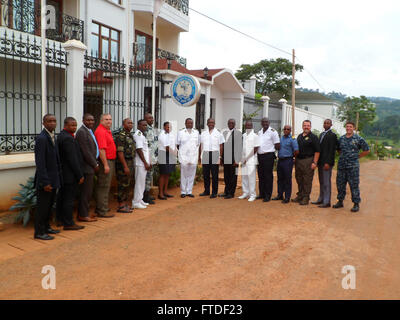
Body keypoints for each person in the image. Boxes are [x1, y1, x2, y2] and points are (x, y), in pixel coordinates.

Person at [33, 114, 62, 240]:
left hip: (53, 178)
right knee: (42, 207)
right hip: (46, 181)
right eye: (49, 121)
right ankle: (39, 232)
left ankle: (46, 227)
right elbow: (40, 163)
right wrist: (45, 182)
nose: (52, 123)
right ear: (43, 123)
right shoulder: (42, 138)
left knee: (49, 205)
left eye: (54, 121)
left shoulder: (52, 136)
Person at [333, 121, 370, 212]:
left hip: (353, 167)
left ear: (354, 128)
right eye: (347, 126)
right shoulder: (341, 138)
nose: (348, 128)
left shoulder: (358, 139)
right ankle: (340, 201)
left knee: (354, 185)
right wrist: (343, 156)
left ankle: (356, 204)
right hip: (342, 166)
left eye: (350, 127)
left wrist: (357, 156)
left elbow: (366, 150)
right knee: (340, 184)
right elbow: (338, 149)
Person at [56, 117, 85, 231]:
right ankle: (68, 223)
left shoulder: (63, 136)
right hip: (69, 175)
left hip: (64, 174)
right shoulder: (67, 138)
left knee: (62, 198)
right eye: (72, 125)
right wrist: (80, 175)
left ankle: (60, 220)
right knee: (68, 199)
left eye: (75, 125)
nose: (74, 127)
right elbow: (72, 159)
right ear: (65, 125)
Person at [75, 113, 99, 222]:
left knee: (88, 192)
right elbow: (85, 151)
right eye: (88, 120)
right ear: (83, 120)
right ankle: (83, 215)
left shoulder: (88, 131)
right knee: (85, 192)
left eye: (92, 120)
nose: (91, 122)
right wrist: (94, 164)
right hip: (86, 167)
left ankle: (85, 212)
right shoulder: (81, 132)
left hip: (90, 166)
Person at [293, 120, 320, 205]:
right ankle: (300, 195)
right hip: (298, 160)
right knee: (299, 178)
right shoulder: (299, 137)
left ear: (310, 127)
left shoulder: (313, 137)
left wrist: (314, 163)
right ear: (302, 126)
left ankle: (306, 197)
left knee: (307, 180)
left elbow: (317, 151)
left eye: (308, 125)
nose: (306, 127)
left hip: (308, 160)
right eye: (304, 125)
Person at [312, 119, 338, 208]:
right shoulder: (321, 134)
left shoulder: (332, 135)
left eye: (328, 123)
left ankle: (327, 202)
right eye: (325, 123)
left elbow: (331, 150)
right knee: (321, 182)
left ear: (331, 124)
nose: (326, 124)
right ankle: (321, 199)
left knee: (326, 182)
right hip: (320, 162)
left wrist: (328, 162)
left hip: (326, 163)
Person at [94, 113, 116, 218]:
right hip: (106, 161)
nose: (109, 121)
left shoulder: (107, 130)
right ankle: (102, 210)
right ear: (101, 121)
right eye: (106, 119)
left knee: (106, 185)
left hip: (110, 160)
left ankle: (103, 207)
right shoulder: (101, 131)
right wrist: (106, 165)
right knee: (103, 186)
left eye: (110, 119)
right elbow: (101, 149)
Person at [273, 125, 299, 204]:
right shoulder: (281, 138)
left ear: (290, 130)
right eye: (285, 129)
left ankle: (287, 197)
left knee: (287, 179)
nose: (286, 130)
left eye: (288, 129)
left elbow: (296, 151)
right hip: (280, 160)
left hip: (288, 160)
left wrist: (294, 158)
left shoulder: (293, 139)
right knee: (280, 179)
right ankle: (280, 195)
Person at [199, 118, 225, 198]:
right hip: (205, 154)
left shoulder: (218, 134)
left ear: (214, 124)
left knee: (214, 174)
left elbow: (221, 146)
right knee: (206, 174)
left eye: (212, 122)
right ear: (207, 124)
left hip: (215, 154)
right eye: (209, 122)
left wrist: (220, 157)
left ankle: (214, 192)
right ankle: (206, 191)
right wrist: (200, 156)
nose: (211, 124)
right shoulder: (203, 134)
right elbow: (201, 145)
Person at [257, 117, 280, 202]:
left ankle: (267, 195)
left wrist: (274, 154)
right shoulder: (260, 132)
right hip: (260, 156)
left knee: (268, 176)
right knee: (261, 175)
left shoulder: (273, 132)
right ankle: (262, 194)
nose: (265, 123)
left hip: (268, 156)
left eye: (266, 122)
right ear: (261, 123)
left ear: (269, 123)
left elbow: (277, 145)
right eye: (263, 122)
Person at [115, 118, 135, 213]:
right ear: (124, 124)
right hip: (123, 163)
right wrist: (125, 166)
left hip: (130, 162)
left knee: (128, 184)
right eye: (129, 123)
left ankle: (125, 203)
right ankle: (121, 205)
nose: (131, 124)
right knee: (122, 184)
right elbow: (120, 152)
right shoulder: (121, 136)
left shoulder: (129, 135)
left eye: (131, 123)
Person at [177, 118, 200, 198]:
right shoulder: (180, 133)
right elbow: (178, 144)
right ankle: (183, 191)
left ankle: (189, 191)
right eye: (188, 123)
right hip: (184, 157)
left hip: (193, 157)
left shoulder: (196, 133)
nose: (190, 125)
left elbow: (198, 144)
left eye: (191, 123)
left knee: (191, 175)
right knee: (183, 175)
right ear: (185, 123)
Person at [220, 119, 242, 199]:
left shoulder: (238, 133)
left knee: (233, 177)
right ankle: (226, 192)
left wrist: (237, 160)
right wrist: (222, 158)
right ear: (227, 123)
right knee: (226, 176)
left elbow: (239, 147)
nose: (230, 124)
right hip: (226, 158)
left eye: (232, 123)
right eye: (229, 123)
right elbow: (223, 146)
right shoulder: (225, 133)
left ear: (235, 124)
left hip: (234, 159)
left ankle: (231, 193)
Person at [238, 120, 260, 202]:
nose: (248, 127)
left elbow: (256, 148)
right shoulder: (244, 135)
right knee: (244, 176)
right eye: (246, 125)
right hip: (244, 159)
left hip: (251, 160)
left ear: (252, 126)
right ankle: (245, 193)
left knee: (251, 177)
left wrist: (247, 158)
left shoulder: (255, 136)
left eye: (249, 125)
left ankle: (252, 194)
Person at [132, 119, 152, 209]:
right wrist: (145, 162)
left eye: (146, 125)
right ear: (138, 126)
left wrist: (148, 162)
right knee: (139, 183)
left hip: (144, 163)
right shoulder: (138, 135)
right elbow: (139, 149)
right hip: (140, 163)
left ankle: (140, 200)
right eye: (143, 125)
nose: (145, 127)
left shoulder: (142, 135)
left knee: (142, 183)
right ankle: (136, 202)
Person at [157, 121, 177, 200]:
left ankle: (165, 191)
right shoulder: (162, 135)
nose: (169, 128)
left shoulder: (171, 135)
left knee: (168, 173)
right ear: (164, 127)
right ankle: (160, 193)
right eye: (167, 127)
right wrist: (175, 154)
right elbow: (167, 147)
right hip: (163, 154)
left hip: (170, 154)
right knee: (163, 174)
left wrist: (175, 152)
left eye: (170, 127)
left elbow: (173, 145)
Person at [143, 113, 157, 205]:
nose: (151, 119)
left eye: (152, 117)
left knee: (149, 177)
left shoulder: (152, 129)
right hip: (147, 159)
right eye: (149, 118)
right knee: (146, 178)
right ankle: (145, 197)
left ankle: (147, 194)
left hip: (153, 157)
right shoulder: (144, 130)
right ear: (145, 119)